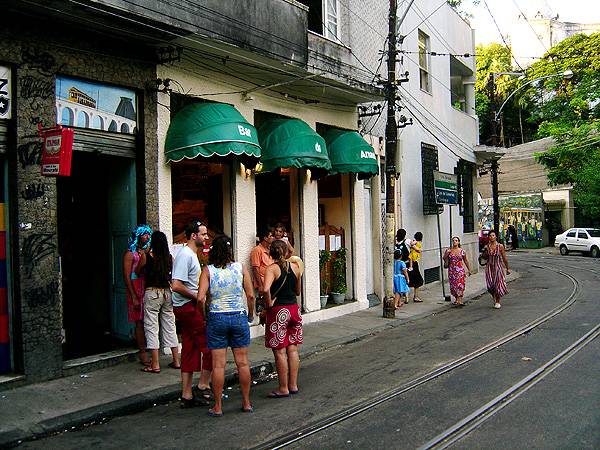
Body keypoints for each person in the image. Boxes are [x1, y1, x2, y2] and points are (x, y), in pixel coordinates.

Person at [197, 235, 255, 417]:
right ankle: (246, 403)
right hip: (238, 316)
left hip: (216, 318)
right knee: (243, 363)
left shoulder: (208, 271)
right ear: (230, 250)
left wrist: (204, 314)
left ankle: (218, 406)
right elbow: (251, 296)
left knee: (218, 366)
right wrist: (250, 314)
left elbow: (200, 298)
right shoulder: (241, 268)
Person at [171, 220, 212, 408]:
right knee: (209, 345)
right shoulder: (185, 255)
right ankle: (204, 385)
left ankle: (186, 394)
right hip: (188, 307)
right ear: (194, 236)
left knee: (189, 348)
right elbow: (176, 285)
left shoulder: (191, 255)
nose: (206, 237)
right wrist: (197, 296)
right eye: (203, 234)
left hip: (187, 307)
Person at [263, 239, 303, 398]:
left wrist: (268, 306)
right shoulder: (296, 267)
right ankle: (293, 385)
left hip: (279, 311)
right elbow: (298, 291)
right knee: (292, 348)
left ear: (270, 253)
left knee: (280, 351)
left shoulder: (271, 269)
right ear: (286, 252)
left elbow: (266, 289)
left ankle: (283, 387)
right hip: (294, 310)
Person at [136, 231, 180, 373]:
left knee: (151, 327)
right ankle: (176, 360)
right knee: (169, 325)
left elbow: (137, 271)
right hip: (167, 293)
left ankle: (155, 364)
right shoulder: (169, 258)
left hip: (152, 292)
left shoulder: (147, 256)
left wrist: (146, 252)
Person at [123, 224, 152, 366]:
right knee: (139, 321)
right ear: (138, 236)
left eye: (148, 234)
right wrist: (133, 295)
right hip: (135, 288)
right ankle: (142, 351)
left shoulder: (147, 252)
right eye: (144, 234)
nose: (147, 237)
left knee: (148, 320)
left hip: (146, 287)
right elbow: (127, 276)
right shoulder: (130, 253)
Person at [484, 230, 510, 309]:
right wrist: (485, 252)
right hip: (489, 267)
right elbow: (484, 258)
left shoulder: (500, 246)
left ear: (495, 237)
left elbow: (504, 258)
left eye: (493, 235)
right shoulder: (487, 246)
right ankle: (494, 296)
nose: (491, 237)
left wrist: (507, 268)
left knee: (498, 285)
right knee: (490, 286)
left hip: (498, 267)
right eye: (490, 236)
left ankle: (498, 301)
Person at [251, 227, 274, 315]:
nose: (273, 238)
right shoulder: (257, 250)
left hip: (271, 283)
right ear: (265, 238)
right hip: (264, 285)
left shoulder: (270, 250)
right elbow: (255, 268)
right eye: (271, 236)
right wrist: (260, 285)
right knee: (266, 309)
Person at [443, 236, 472, 307]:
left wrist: (469, 270)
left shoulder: (462, 251)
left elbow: (465, 261)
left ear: (458, 242)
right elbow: (444, 258)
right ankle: (456, 299)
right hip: (452, 270)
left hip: (460, 270)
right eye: (453, 241)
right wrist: (447, 254)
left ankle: (460, 299)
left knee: (460, 284)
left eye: (456, 240)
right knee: (453, 285)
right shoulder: (449, 250)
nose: (454, 242)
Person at [408, 232, 424, 302]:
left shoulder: (416, 242)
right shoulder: (416, 242)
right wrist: (418, 249)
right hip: (414, 261)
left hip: (414, 261)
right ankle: (415, 296)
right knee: (417, 280)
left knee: (415, 280)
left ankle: (414, 296)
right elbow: (416, 249)